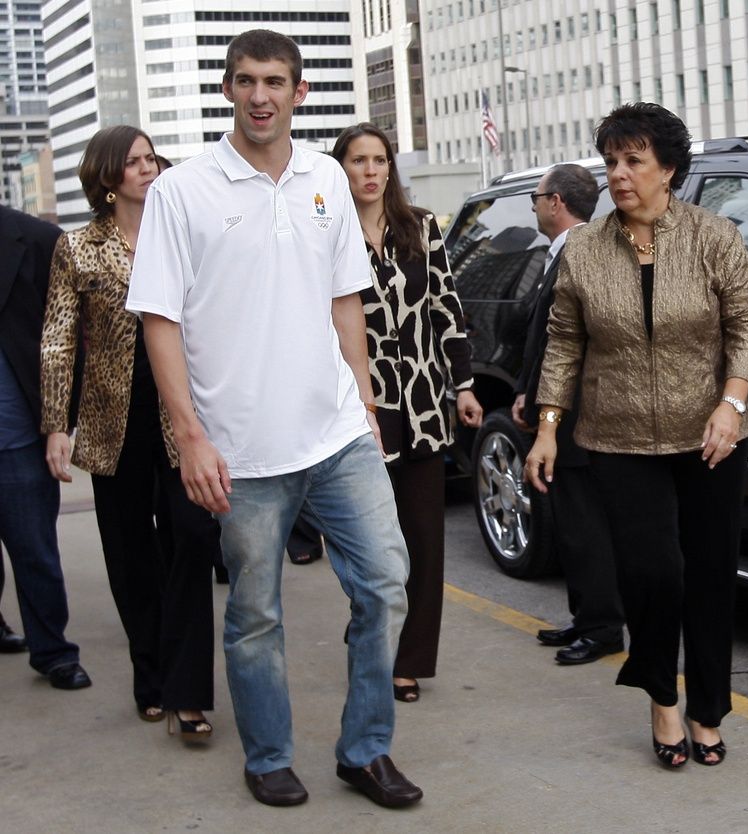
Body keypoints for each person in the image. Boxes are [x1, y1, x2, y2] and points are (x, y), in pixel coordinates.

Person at [126, 30, 420, 809]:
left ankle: (364, 750)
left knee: (387, 584)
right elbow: (159, 319)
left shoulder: (325, 177)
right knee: (255, 612)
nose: (261, 95)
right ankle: (267, 756)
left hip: (335, 435)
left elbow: (343, 298)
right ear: (227, 89)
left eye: (276, 82)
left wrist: (361, 395)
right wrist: (188, 433)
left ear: (300, 92)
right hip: (241, 452)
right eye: (247, 81)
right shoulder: (182, 191)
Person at [525, 103, 748, 769]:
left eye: (634, 161)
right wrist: (548, 427)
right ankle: (662, 698)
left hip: (712, 437)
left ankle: (708, 711)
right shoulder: (584, 249)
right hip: (619, 439)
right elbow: (564, 343)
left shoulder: (714, 237)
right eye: (611, 162)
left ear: (670, 171)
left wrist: (730, 402)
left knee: (711, 576)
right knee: (653, 574)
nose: (619, 174)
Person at [40, 125, 219, 736]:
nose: (149, 168)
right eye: (135, 161)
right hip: (111, 422)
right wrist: (55, 424)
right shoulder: (79, 248)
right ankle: (154, 679)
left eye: (152, 158)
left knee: (194, 538)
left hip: (184, 417)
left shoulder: (185, 234)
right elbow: (60, 340)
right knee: (130, 556)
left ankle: (189, 690)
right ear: (108, 176)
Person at [331, 122, 483, 703]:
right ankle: (369, 635)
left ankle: (409, 660)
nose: (370, 171)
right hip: (357, 407)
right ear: (339, 168)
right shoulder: (327, 231)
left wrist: (464, 386)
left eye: (379, 160)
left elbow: (448, 308)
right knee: (369, 541)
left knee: (423, 537)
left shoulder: (419, 228)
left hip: (421, 406)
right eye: (357, 161)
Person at [512, 163, 625, 666]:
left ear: (555, 201)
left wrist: (546, 405)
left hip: (581, 415)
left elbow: (572, 343)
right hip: (563, 411)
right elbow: (544, 340)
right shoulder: (566, 252)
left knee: (587, 526)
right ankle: (585, 618)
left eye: (536, 198)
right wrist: (527, 392)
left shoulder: (583, 253)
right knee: (572, 524)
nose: (534, 206)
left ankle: (602, 627)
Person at [0, 204, 88, 689]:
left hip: (17, 433)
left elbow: (65, 334)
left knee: (34, 550)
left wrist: (61, 419)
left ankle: (53, 651)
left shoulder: (35, 239)